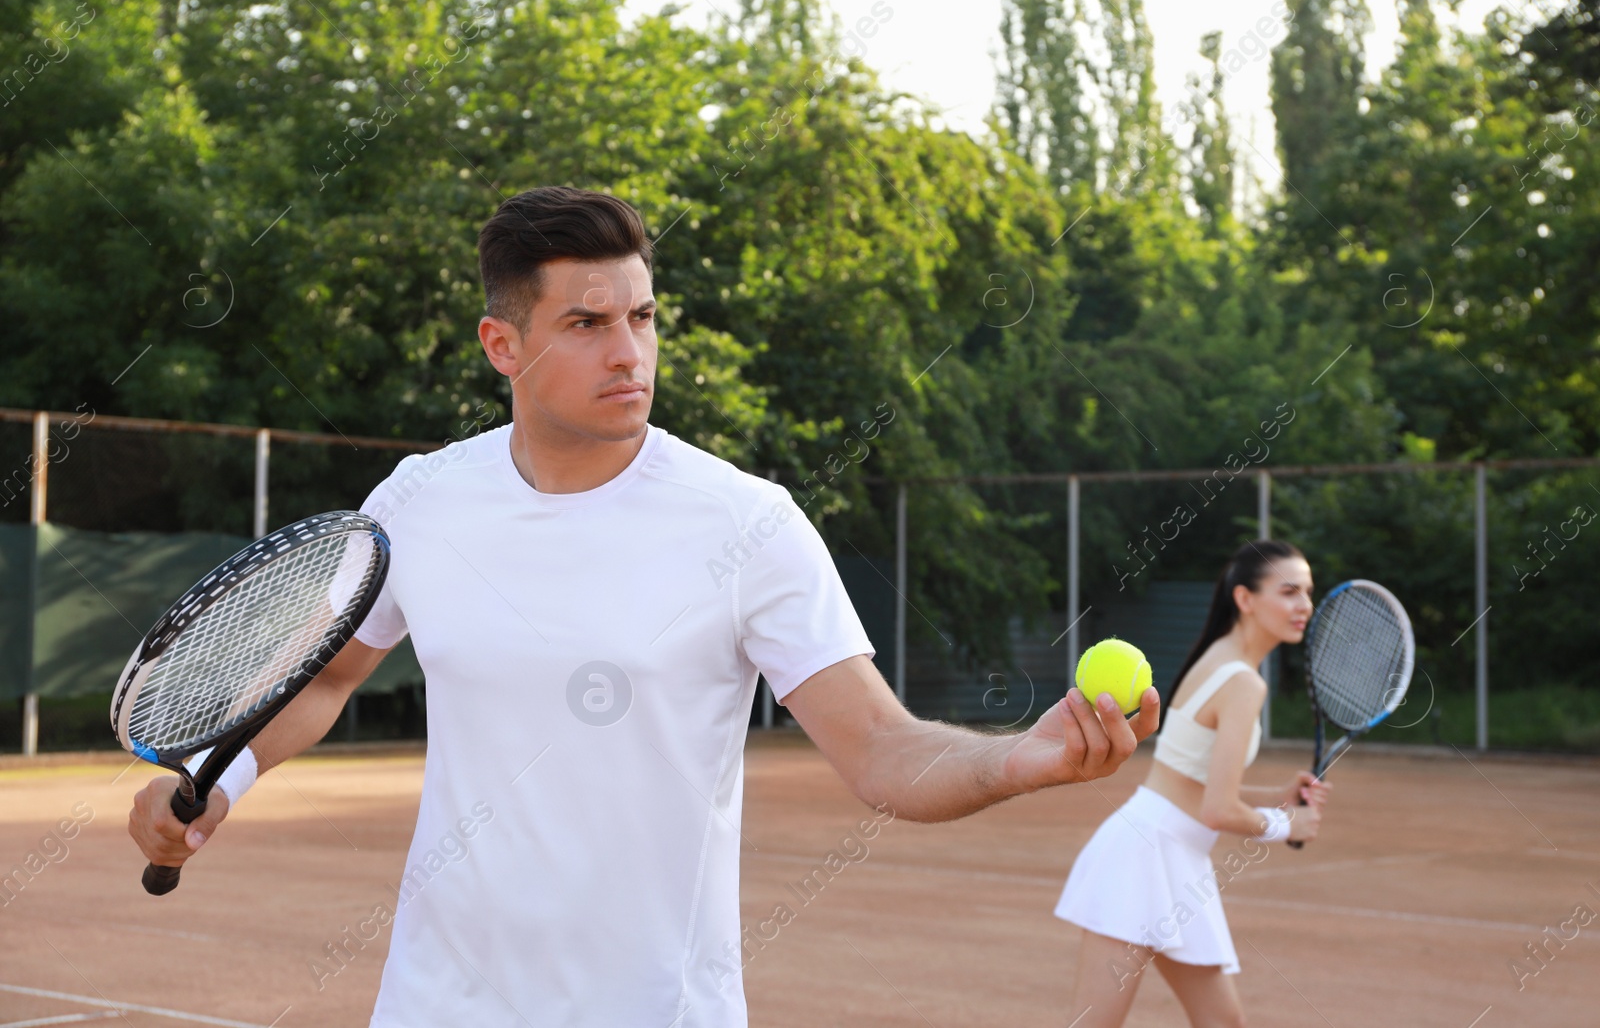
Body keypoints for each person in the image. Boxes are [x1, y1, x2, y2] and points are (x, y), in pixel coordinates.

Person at [127, 185, 1161, 1027]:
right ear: (502, 345)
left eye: (642, 316)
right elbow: (331, 673)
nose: (630, 351)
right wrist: (224, 776)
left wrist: (1017, 758)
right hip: (439, 1005)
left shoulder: (746, 522)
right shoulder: (418, 500)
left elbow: (881, 748)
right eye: (586, 322)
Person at [1054, 539, 1331, 1027]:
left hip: (1166, 852)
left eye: (1307, 592)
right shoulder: (1243, 682)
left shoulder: (1217, 659)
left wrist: (1276, 803)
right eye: (1289, 592)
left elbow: (1191, 785)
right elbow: (1217, 811)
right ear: (1245, 599)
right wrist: (1286, 826)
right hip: (1145, 855)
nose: (1304, 605)